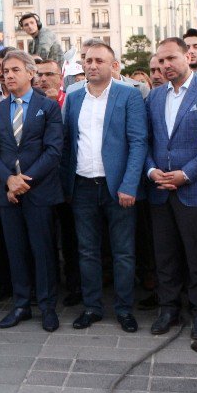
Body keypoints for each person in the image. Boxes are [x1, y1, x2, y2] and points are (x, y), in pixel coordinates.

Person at [145, 37, 197, 339]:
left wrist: (186, 174)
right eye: (161, 60)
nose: (166, 65)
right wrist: (153, 170)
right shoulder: (154, 97)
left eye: (171, 59)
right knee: (165, 255)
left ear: (188, 56)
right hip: (161, 191)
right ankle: (167, 309)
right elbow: (147, 141)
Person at [61, 41, 147, 332]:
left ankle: (124, 309)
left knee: (123, 252)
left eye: (99, 60)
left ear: (113, 66)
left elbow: (138, 142)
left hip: (118, 188)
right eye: (88, 60)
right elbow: (68, 142)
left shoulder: (128, 96)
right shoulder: (73, 98)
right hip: (82, 186)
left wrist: (130, 185)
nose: (92, 65)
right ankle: (92, 308)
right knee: (87, 251)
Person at [0, 49, 64, 332]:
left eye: (16, 70)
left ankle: (47, 306)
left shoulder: (49, 107)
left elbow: (53, 151)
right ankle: (20, 305)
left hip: (39, 191)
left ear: (31, 72)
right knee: (14, 250)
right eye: (5, 71)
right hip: (7, 193)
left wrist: (23, 181)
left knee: (42, 250)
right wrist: (9, 180)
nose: (9, 75)